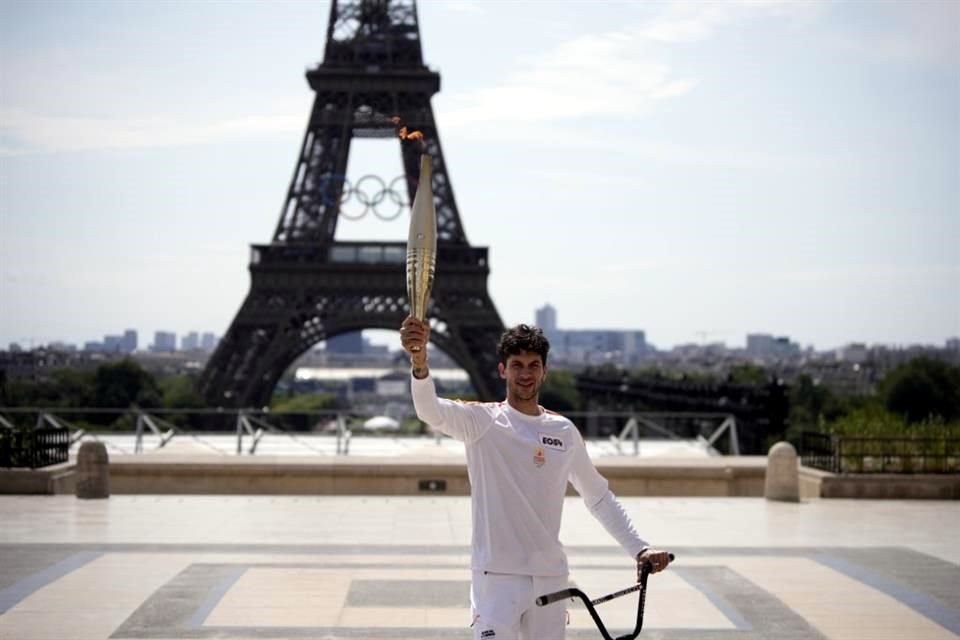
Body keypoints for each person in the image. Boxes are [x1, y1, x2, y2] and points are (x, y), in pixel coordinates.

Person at [400, 316, 672, 640]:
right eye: (517, 365)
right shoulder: (482, 422)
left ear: (544, 371)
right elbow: (430, 411)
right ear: (503, 369)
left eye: (533, 365)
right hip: (496, 579)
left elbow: (598, 496)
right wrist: (419, 362)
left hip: (551, 579)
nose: (525, 374)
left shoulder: (564, 431)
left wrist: (639, 549)